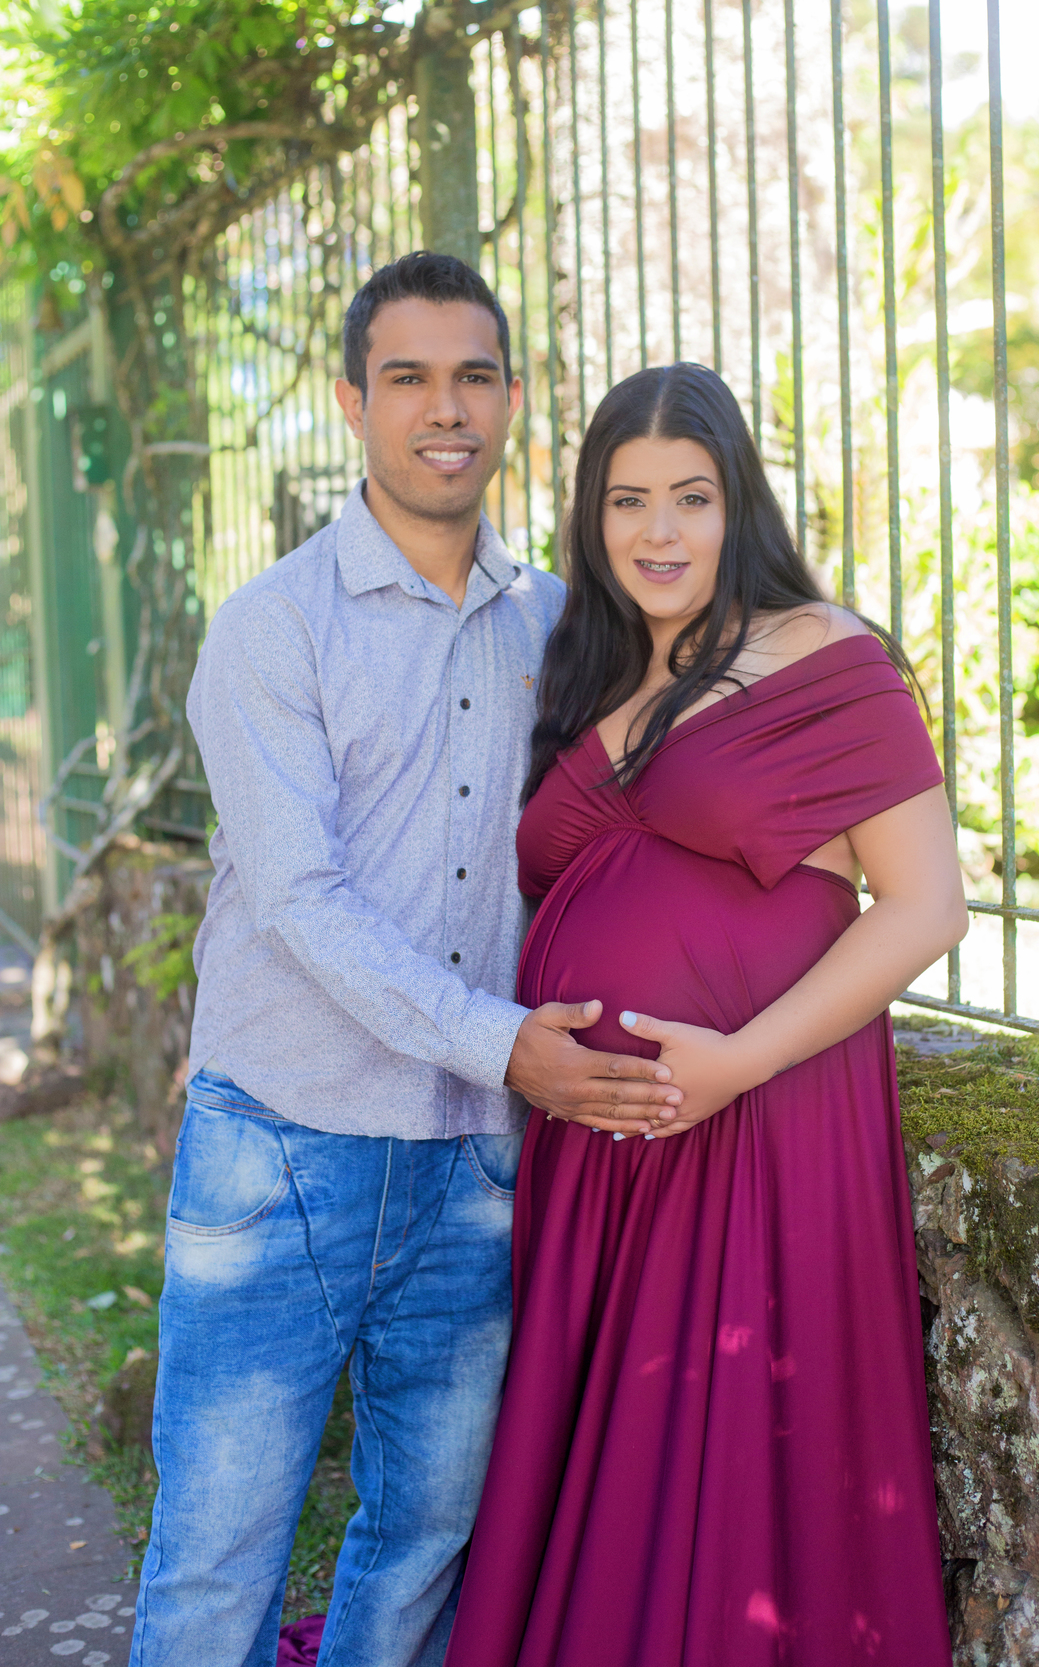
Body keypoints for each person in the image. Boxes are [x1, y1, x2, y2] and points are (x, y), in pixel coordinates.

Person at [131, 254, 681, 1667]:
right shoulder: (271, 629)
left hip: (475, 1167)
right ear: (352, 402)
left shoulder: (565, 624)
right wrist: (506, 1042)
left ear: (510, 400)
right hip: (281, 1156)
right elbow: (302, 900)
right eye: (410, 377)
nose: (447, 408)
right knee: (215, 1569)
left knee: (426, 1551)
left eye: (475, 376)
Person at [445, 362, 967, 1667]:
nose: (659, 532)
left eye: (691, 495)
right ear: (592, 517)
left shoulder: (828, 655)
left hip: (756, 1120)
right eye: (628, 501)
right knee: (608, 1454)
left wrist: (734, 1064)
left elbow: (925, 908)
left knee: (732, 1461)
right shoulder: (589, 667)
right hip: (591, 1151)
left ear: (740, 504)